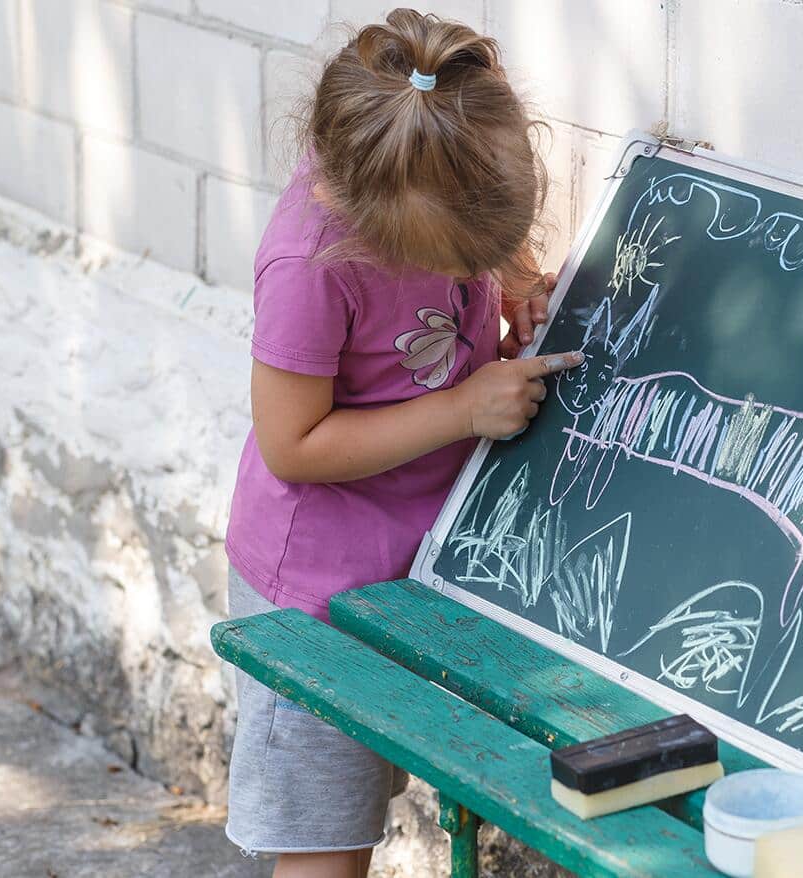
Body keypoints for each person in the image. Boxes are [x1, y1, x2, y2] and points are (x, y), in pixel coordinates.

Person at [220, 9, 581, 876]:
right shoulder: (312, 266)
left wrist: (520, 280)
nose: (468, 277)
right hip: (311, 600)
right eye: (455, 260)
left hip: (412, 569)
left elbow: (488, 245)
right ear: (374, 217)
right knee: (324, 840)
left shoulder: (421, 159)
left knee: (388, 781)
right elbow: (292, 444)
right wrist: (460, 409)